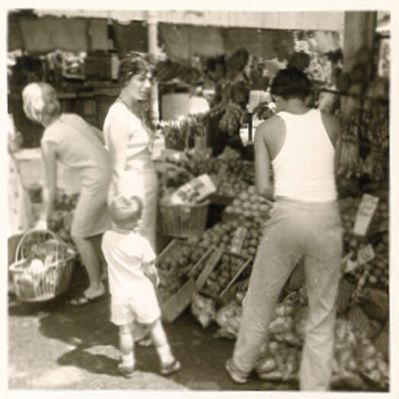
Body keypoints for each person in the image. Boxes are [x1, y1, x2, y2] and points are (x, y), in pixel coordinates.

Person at [226, 68, 343, 391]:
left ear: (276, 97)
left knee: (261, 295)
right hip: (326, 217)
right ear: (307, 95)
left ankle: (240, 367)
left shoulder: (267, 128)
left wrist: (290, 188)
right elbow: (331, 174)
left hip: (288, 215)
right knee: (322, 305)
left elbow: (263, 188)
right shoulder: (332, 123)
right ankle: (314, 387)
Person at [22, 82, 111, 305]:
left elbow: (50, 185)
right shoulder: (73, 118)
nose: (52, 98)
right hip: (110, 174)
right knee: (98, 228)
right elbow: (102, 138)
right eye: (48, 97)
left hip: (96, 181)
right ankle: (107, 272)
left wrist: (43, 218)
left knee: (78, 233)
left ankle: (96, 286)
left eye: (50, 95)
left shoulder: (48, 139)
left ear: (33, 111)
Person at [101, 194, 181, 377]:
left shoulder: (106, 238)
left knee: (125, 331)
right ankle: (167, 360)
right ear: (137, 221)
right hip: (141, 292)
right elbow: (150, 269)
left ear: (112, 219)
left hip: (119, 294)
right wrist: (156, 280)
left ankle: (127, 363)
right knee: (154, 327)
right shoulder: (140, 243)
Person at [103, 53, 158, 251]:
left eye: (150, 80)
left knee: (144, 244)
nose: (147, 85)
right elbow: (117, 168)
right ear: (126, 80)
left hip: (143, 189)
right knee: (134, 246)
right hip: (131, 190)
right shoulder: (119, 116)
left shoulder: (133, 112)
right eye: (141, 79)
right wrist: (125, 207)